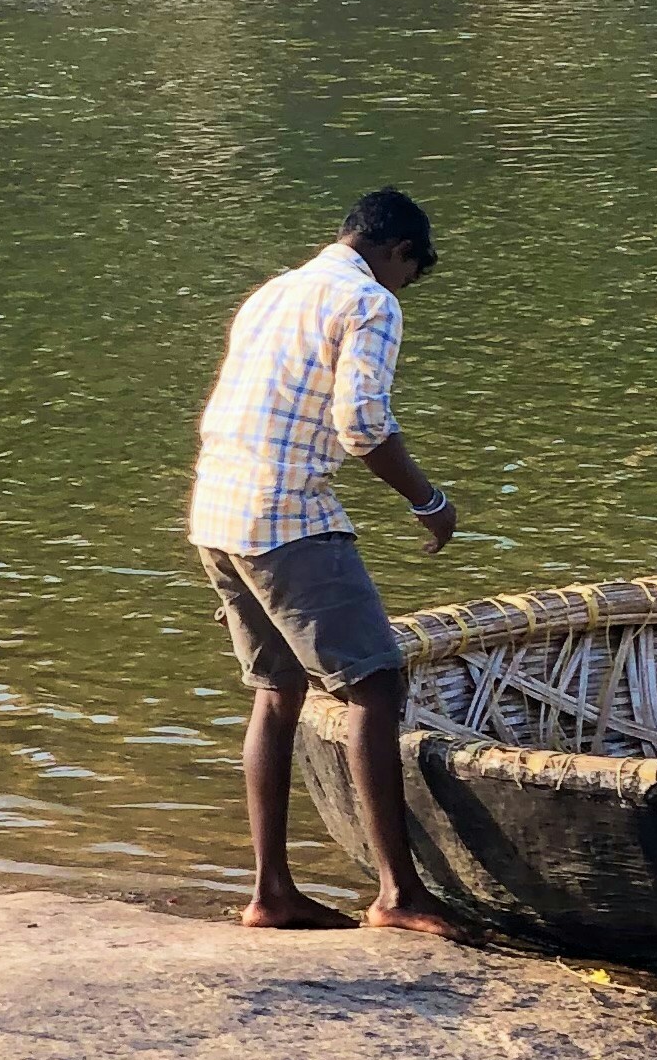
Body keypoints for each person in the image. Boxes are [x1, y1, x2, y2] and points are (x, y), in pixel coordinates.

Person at [189, 185, 460, 933]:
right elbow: (362, 422)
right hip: (285, 516)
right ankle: (398, 895)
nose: (407, 284)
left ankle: (270, 892)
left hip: (216, 510)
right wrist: (429, 501)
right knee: (374, 681)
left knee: (278, 691)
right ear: (398, 250)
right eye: (413, 270)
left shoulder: (273, 291)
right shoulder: (370, 302)